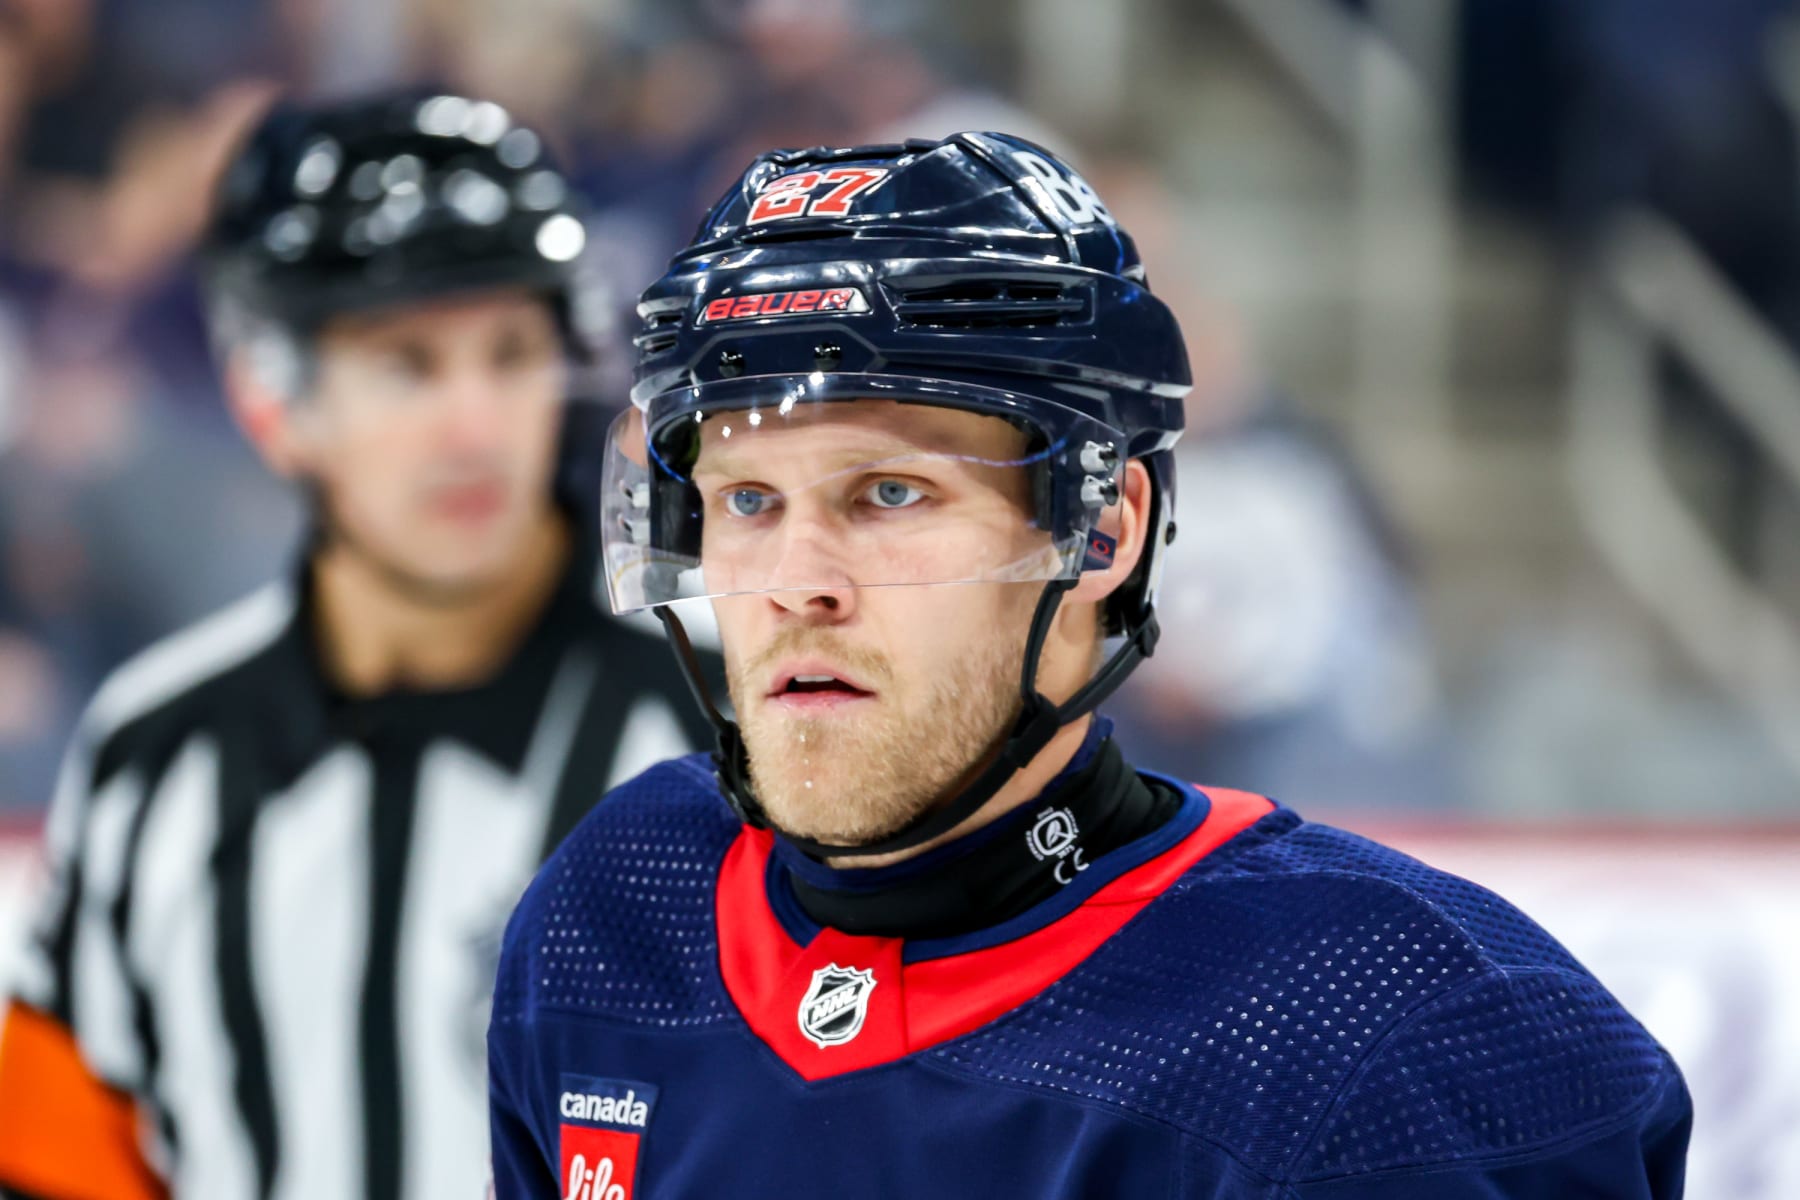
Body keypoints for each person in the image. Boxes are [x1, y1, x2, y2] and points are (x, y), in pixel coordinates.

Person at [487, 133, 1691, 1198]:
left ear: (1101, 531)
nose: (797, 579)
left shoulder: (1392, 1030)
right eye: (747, 500)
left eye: (888, 493)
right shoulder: (618, 913)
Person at [0, 90, 712, 1200]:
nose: (474, 423)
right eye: (406, 363)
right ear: (269, 402)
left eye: (510, 351)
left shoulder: (729, 715)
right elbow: (62, 1164)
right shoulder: (153, 752)